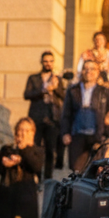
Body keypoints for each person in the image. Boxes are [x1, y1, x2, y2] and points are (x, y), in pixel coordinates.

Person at [62, 61, 109, 173]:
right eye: (86, 68)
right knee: (76, 170)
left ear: (98, 72)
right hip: (77, 134)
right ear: (82, 71)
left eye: (92, 69)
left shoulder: (106, 91)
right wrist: (65, 133)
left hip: (97, 135)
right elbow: (66, 114)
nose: (89, 71)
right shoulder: (72, 90)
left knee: (96, 170)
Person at [24, 50, 66, 178]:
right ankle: (35, 176)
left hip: (52, 119)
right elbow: (27, 94)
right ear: (41, 62)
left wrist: (55, 88)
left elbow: (64, 96)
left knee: (50, 150)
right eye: (46, 61)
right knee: (35, 148)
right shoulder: (33, 78)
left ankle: (48, 178)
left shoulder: (57, 79)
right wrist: (44, 90)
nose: (48, 64)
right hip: (36, 117)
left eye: (51, 61)